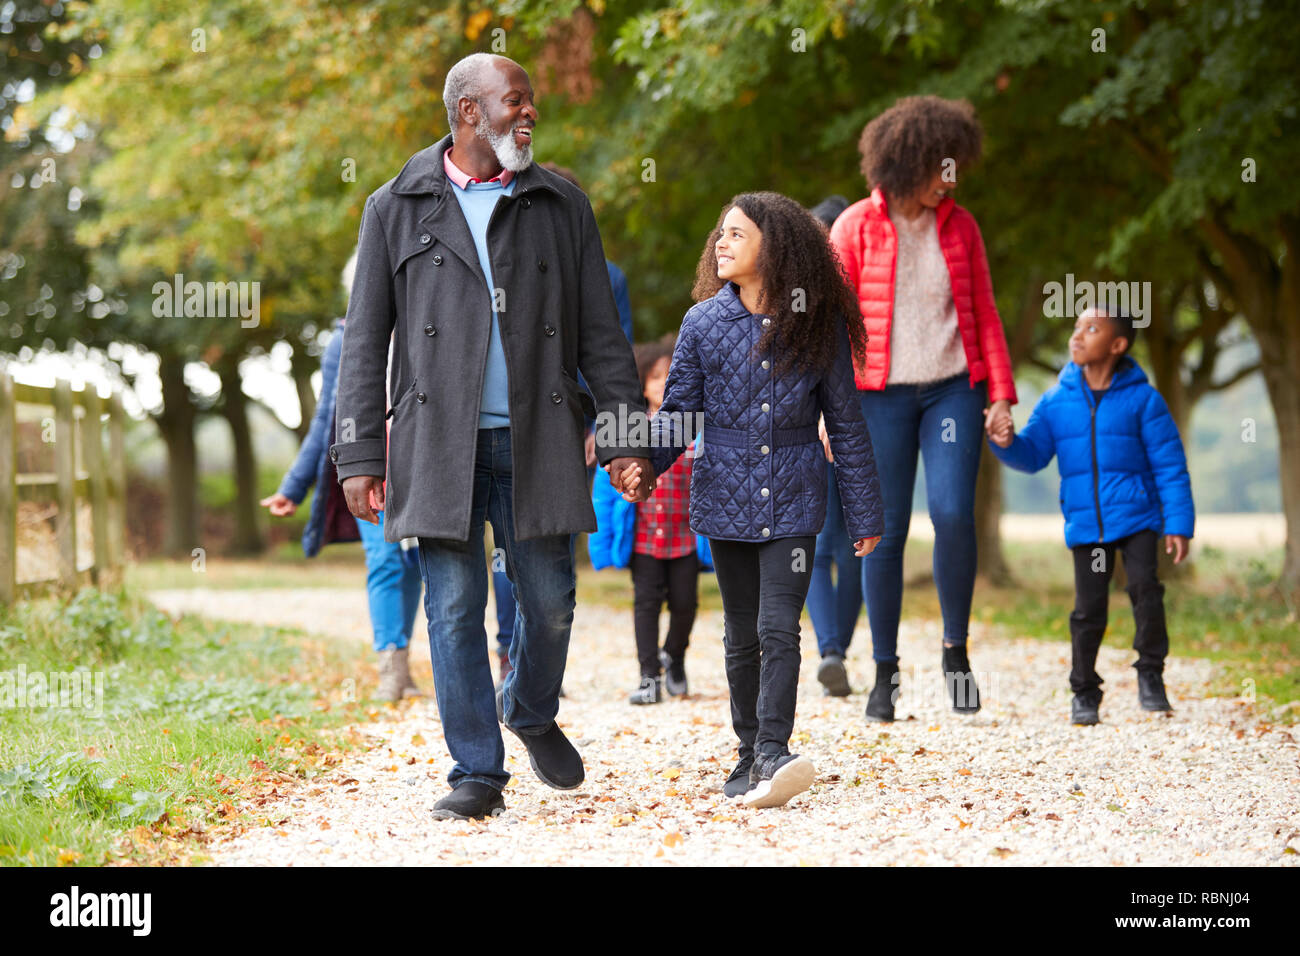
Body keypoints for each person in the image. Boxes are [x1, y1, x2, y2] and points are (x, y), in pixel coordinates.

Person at [330, 53, 651, 822]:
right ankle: (477, 769)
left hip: (540, 435)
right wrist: (357, 457)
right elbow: (364, 340)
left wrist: (624, 436)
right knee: (452, 606)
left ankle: (531, 710)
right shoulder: (393, 206)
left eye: (532, 100)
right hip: (437, 443)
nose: (530, 113)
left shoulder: (562, 204)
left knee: (550, 603)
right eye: (517, 101)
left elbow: (602, 338)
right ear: (470, 112)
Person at [621, 192, 884, 809]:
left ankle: (773, 749)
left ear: (776, 247)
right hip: (725, 495)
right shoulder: (702, 323)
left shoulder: (815, 322)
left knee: (779, 628)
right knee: (740, 632)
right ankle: (747, 753)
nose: (722, 243)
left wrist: (866, 510)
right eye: (721, 234)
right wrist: (641, 464)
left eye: (737, 235)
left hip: (794, 492)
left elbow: (845, 422)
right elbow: (679, 414)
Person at [830, 95, 1018, 722]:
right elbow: (831, 329)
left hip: (951, 386)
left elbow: (985, 312)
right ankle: (885, 672)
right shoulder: (854, 226)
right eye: (944, 167)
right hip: (877, 394)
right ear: (909, 163)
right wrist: (828, 411)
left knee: (952, 511)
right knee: (881, 533)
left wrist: (1000, 394)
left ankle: (954, 652)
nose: (952, 178)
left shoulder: (962, 226)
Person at [986, 306, 1193, 724]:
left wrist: (1178, 524)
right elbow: (1032, 455)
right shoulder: (1057, 401)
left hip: (1137, 516)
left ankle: (1150, 674)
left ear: (1117, 345)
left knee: (1145, 591)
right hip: (1086, 523)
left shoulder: (1144, 400)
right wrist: (1004, 441)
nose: (1077, 336)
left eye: (1092, 329)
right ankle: (1084, 691)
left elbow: (1170, 466)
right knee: (1088, 609)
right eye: (1077, 327)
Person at [261, 250, 423, 702]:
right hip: (372, 463)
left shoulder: (427, 327)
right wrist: (293, 486)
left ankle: (404, 663)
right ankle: (390, 666)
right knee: (387, 559)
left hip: (424, 460)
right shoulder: (345, 340)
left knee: (416, 563)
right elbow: (326, 419)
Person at [589, 337, 711, 705]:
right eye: (656, 377)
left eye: (670, 376)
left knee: (686, 603)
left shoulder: (695, 429)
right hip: (643, 538)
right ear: (643, 383)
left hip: (685, 537)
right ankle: (648, 676)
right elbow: (605, 490)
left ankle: (673, 656)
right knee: (645, 603)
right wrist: (604, 540)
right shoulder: (630, 428)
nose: (663, 383)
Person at [804, 195, 864, 697]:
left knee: (856, 544)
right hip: (812, 432)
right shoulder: (800, 296)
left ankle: (834, 652)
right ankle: (831, 652)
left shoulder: (861, 291)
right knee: (822, 546)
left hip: (866, 427)